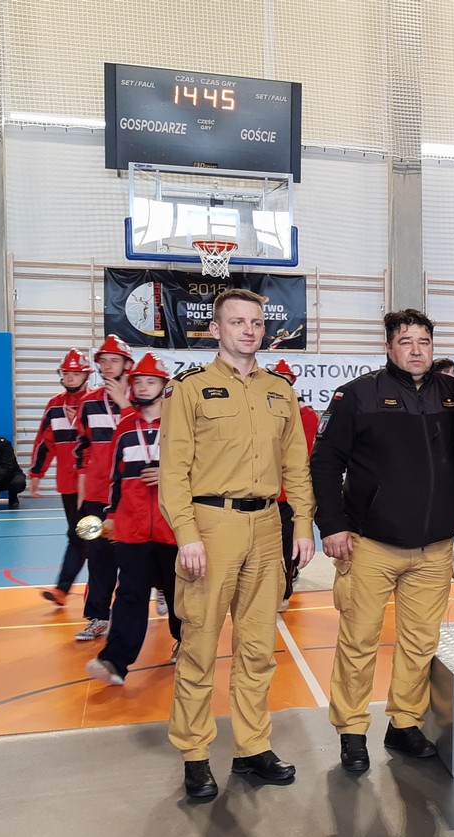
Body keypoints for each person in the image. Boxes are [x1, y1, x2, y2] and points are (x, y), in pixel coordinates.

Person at [158, 288, 316, 801]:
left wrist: (303, 524)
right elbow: (173, 472)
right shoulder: (189, 389)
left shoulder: (279, 391)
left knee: (257, 648)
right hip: (211, 527)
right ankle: (195, 754)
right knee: (199, 647)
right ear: (216, 329)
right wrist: (187, 535)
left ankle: (251, 748)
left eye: (256, 322)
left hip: (267, 526)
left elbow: (296, 465)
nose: (248, 330)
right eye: (237, 322)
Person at [311, 309, 454, 770]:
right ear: (388, 347)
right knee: (358, 643)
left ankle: (404, 724)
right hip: (370, 546)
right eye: (406, 341)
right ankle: (352, 730)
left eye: (424, 342)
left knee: (420, 643)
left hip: (435, 547)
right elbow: (324, 463)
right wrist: (332, 525)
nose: (417, 350)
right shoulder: (357, 395)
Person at [83, 352, 181, 684]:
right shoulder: (125, 427)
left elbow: (202, 470)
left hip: (174, 528)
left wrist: (167, 475)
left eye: (150, 382)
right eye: (138, 381)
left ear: (165, 387)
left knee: (181, 596)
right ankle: (114, 662)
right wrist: (111, 516)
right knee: (129, 595)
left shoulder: (181, 425)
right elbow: (116, 477)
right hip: (133, 529)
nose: (142, 387)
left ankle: (186, 643)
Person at [71, 335, 134, 642]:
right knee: (98, 558)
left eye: (114, 361)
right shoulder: (88, 402)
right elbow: (82, 448)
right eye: (103, 361)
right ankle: (98, 617)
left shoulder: (144, 397)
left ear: (127, 365)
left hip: (134, 497)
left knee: (138, 559)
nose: (108, 367)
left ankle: (154, 598)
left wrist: (125, 404)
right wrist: (82, 493)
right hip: (97, 497)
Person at [30, 350, 93, 606]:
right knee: (79, 535)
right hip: (68, 485)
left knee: (94, 537)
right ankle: (64, 590)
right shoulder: (55, 405)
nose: (69, 378)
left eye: (75, 373)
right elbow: (45, 442)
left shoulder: (96, 402)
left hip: (96, 485)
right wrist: (36, 473)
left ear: (86, 375)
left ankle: (70, 589)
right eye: (66, 373)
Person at [269, 358, 321, 611]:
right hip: (265, 494)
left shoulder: (305, 415)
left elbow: (304, 455)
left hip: (289, 494)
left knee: (288, 546)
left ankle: (284, 589)